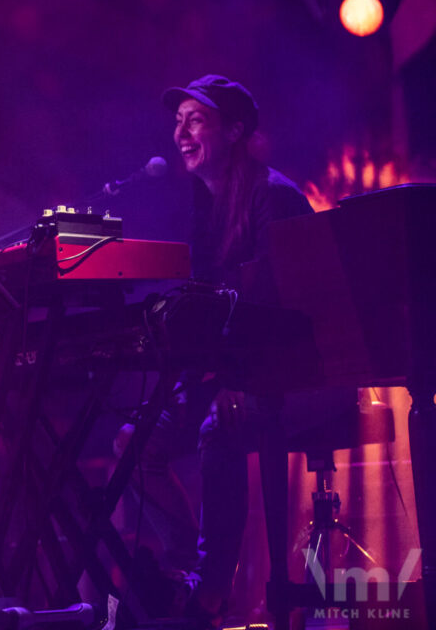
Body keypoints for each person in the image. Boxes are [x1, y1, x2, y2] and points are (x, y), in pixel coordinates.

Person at [117, 75, 349, 628]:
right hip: (236, 370)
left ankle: (211, 593)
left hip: (310, 374)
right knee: (133, 441)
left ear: (236, 131)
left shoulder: (275, 196)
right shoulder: (206, 207)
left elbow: (294, 310)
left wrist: (228, 379)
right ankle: (182, 571)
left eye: (195, 120)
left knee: (219, 429)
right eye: (178, 122)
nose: (180, 133)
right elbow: (206, 311)